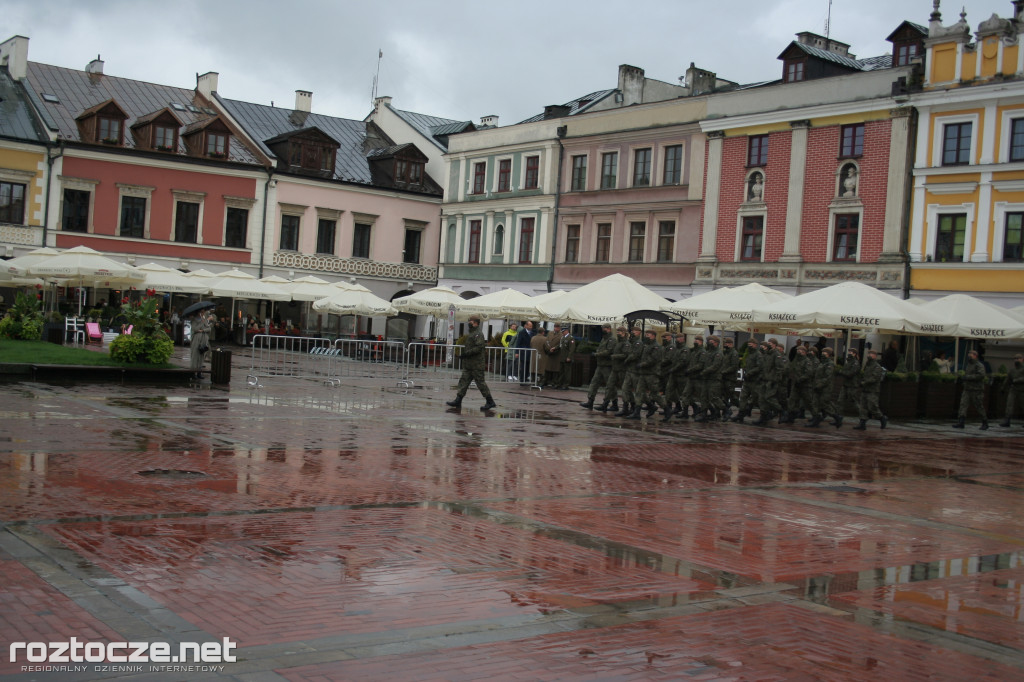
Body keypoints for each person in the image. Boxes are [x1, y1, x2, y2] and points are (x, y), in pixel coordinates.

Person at [446, 314, 496, 411]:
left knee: (481, 383)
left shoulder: (478, 334)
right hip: (469, 365)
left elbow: (478, 347)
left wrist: (466, 354)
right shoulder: (472, 333)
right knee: (463, 382)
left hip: (477, 365)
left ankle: (490, 401)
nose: (469, 323)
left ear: (475, 323)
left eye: (470, 321)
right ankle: (458, 400)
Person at [580, 324, 614, 409]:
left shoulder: (612, 340)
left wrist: (597, 354)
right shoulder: (604, 339)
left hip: (607, 365)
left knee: (610, 385)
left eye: (605, 328)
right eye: (603, 328)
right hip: (600, 365)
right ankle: (590, 401)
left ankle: (614, 402)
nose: (603, 330)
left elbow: (609, 351)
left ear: (609, 329)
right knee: (594, 383)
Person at [954, 349, 988, 430]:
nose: (969, 355)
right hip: (967, 389)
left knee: (979, 406)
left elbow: (981, 375)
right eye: (969, 354)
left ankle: (985, 422)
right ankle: (961, 422)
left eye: (971, 354)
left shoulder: (979, 365)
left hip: (976, 390)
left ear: (975, 355)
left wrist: (968, 377)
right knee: (963, 405)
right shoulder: (969, 365)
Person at [854, 349, 888, 430]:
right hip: (865, 389)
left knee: (872, 406)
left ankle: (882, 418)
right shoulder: (867, 365)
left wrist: (864, 382)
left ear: (875, 356)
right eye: (869, 354)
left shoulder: (877, 367)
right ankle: (862, 423)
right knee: (863, 407)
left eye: (872, 354)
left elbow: (874, 378)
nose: (869, 355)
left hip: (873, 390)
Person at [1001, 353, 1024, 427]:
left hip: (1022, 390)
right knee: (1009, 405)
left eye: (1018, 358)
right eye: (1015, 359)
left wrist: (1017, 380)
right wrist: (1003, 388)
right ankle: (1007, 420)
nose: (1017, 360)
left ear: (1022, 359)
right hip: (1013, 389)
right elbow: (1007, 379)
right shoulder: (1012, 370)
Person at [189, 309, 213, 379]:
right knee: (195, 356)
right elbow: (195, 329)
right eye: (201, 312)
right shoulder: (194, 320)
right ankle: (193, 372)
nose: (203, 313)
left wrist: (202, 330)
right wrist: (201, 323)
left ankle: (199, 372)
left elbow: (209, 329)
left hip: (204, 339)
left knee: (202, 356)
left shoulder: (204, 320)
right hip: (197, 339)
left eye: (203, 312)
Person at [513, 321, 533, 385]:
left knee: (528, 366)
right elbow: (518, 342)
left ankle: (526, 378)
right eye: (529, 326)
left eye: (531, 326)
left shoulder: (532, 333)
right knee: (523, 366)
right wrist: (517, 352)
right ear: (526, 326)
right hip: (523, 352)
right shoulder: (521, 333)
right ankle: (522, 379)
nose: (531, 327)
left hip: (530, 352)